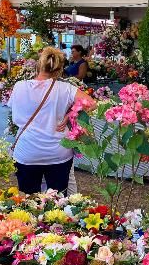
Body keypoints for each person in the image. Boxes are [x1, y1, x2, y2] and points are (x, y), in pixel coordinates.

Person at [8, 47, 95, 194]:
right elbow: (91, 103)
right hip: (58, 152)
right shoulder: (66, 88)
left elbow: (14, 112)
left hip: (27, 151)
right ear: (60, 69)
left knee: (28, 201)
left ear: (39, 65)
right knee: (59, 200)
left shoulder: (19, 87)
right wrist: (71, 113)